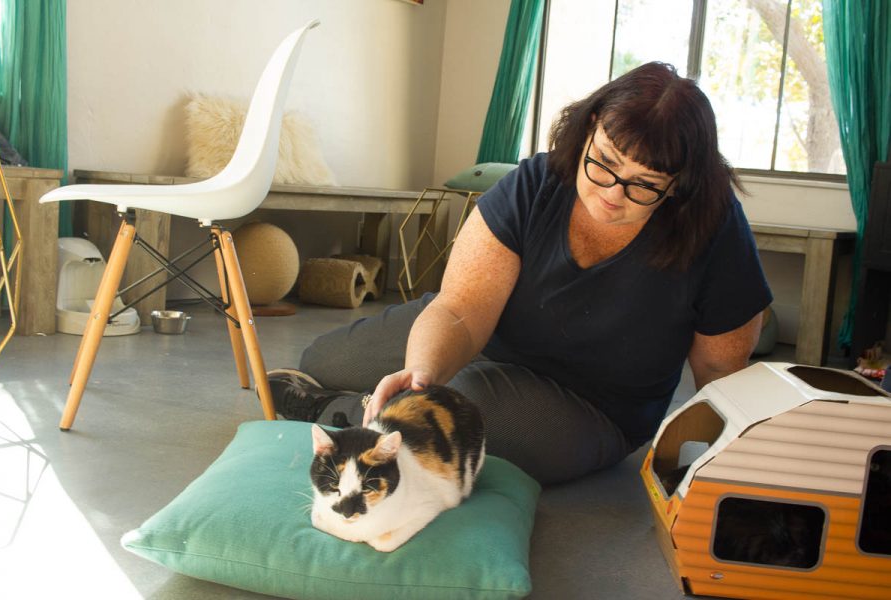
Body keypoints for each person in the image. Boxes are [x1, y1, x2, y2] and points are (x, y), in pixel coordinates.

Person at [268, 62, 772, 485]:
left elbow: (720, 375)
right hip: (488, 340)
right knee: (328, 358)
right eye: (605, 163)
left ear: (680, 185)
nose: (613, 193)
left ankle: (341, 414)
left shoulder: (715, 229)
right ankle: (377, 402)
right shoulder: (537, 182)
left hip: (588, 403)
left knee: (459, 412)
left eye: (645, 185)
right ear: (591, 125)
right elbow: (461, 310)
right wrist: (422, 373)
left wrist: (727, 466)